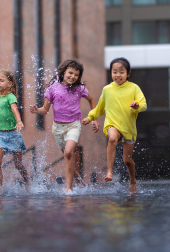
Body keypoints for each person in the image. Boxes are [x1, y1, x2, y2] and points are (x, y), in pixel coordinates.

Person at [30, 59, 98, 194]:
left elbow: (91, 100)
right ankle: (78, 179)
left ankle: (68, 189)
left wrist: (94, 119)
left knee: (68, 153)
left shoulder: (79, 89)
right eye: (70, 73)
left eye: (76, 75)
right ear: (63, 72)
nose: (73, 76)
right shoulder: (52, 89)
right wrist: (36, 110)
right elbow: (45, 109)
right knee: (68, 157)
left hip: (73, 126)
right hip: (58, 128)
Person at [82, 57, 146, 193]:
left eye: (121, 72)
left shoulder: (134, 88)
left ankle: (132, 179)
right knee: (112, 138)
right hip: (112, 124)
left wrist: (137, 105)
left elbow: (144, 105)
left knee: (127, 161)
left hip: (128, 128)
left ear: (128, 73)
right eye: (114, 71)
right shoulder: (107, 89)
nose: (118, 75)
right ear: (111, 73)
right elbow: (100, 108)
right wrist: (89, 117)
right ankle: (109, 171)